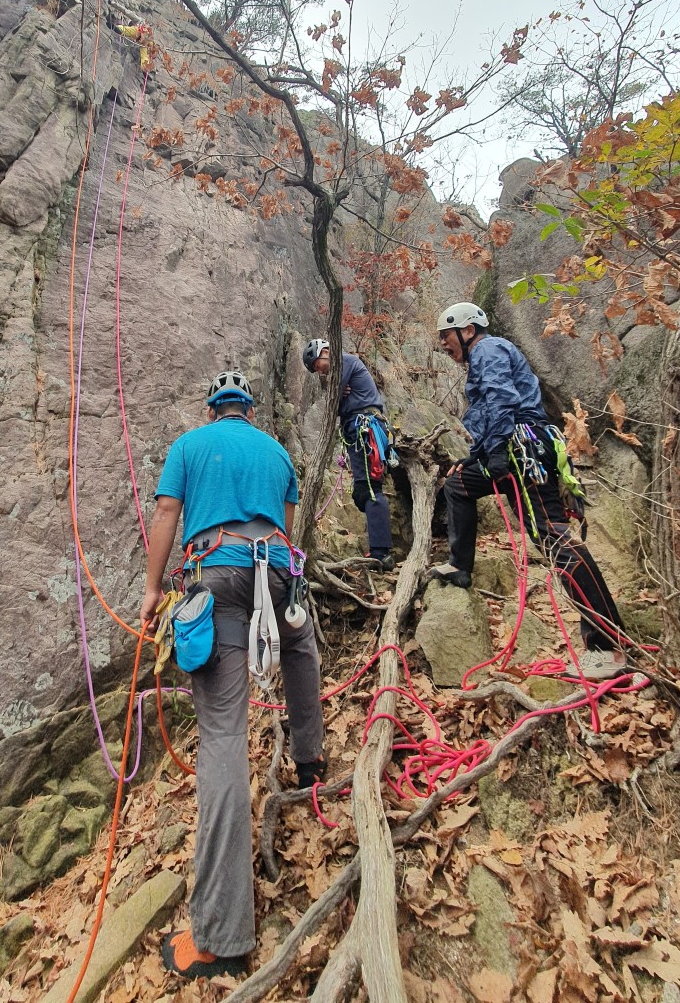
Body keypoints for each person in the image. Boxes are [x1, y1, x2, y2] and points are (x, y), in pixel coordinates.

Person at [140, 370, 326, 980]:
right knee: (300, 644)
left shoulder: (190, 446)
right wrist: (274, 577)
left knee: (223, 732)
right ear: (247, 409)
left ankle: (221, 936)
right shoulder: (276, 452)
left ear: (214, 408)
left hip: (215, 577)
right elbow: (289, 521)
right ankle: (311, 758)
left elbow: (169, 509)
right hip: (275, 567)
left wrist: (151, 588)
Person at [432, 302, 628, 682]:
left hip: (523, 450)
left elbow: (501, 400)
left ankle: (608, 648)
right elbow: (491, 411)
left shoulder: (487, 349)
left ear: (468, 330)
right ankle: (460, 566)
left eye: (446, 335)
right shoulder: (485, 355)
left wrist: (499, 452)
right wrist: (476, 460)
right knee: (457, 484)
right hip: (510, 449)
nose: (443, 343)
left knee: (555, 539)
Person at [302, 338, 396, 571]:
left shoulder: (344, 360)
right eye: (315, 370)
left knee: (370, 490)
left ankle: (381, 553)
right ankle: (380, 545)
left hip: (365, 428)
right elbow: (336, 398)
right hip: (358, 431)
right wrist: (338, 391)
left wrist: (337, 391)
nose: (319, 371)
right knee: (362, 493)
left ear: (326, 351)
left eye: (318, 365)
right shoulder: (343, 368)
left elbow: (332, 403)